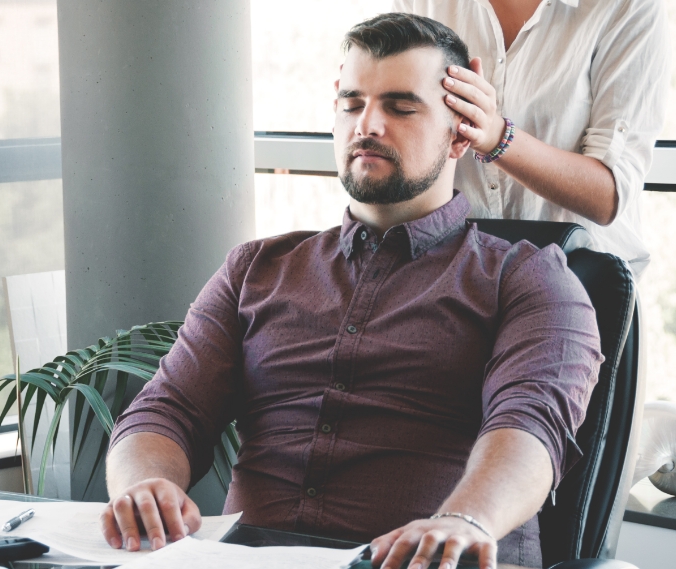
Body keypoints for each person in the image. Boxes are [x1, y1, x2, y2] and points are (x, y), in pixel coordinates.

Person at [101, 14, 604, 569]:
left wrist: (466, 519)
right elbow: (167, 410)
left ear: (460, 132)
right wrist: (144, 486)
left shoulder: (529, 278)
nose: (369, 124)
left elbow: (529, 427)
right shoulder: (256, 268)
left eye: (401, 106)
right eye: (351, 103)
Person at [392, 0, 670, 278]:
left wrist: (496, 136)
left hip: (576, 278)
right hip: (443, 274)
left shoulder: (630, 6)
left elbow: (607, 196)